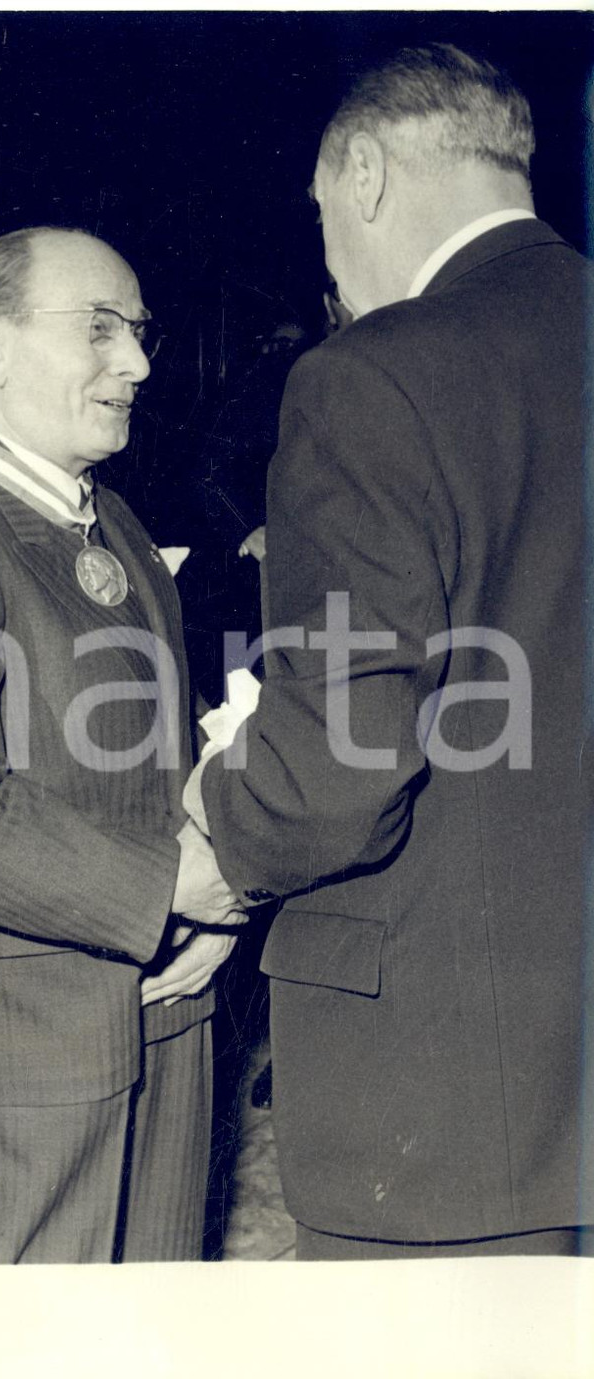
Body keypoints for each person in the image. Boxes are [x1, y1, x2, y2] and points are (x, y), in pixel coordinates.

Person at [188, 43, 594, 1259]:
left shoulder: (371, 376)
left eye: (318, 216)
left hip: (449, 1068)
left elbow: (336, 769)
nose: (328, 255)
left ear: (363, 173)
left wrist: (212, 828)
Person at [0, 226, 245, 1264]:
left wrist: (215, 905)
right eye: (99, 329)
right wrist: (170, 886)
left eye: (140, 333)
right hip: (20, 1037)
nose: (140, 363)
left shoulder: (103, 514)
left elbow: (155, 748)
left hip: (160, 1005)